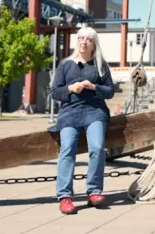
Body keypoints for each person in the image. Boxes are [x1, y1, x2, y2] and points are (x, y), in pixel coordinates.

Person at [49, 25, 115, 214]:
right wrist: (71, 88)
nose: (84, 42)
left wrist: (94, 87)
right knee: (68, 148)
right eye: (81, 38)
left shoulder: (100, 64)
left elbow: (110, 91)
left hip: (94, 110)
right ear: (76, 41)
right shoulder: (65, 64)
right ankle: (65, 196)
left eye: (88, 39)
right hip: (70, 111)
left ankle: (94, 192)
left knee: (96, 147)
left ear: (94, 44)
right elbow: (54, 92)